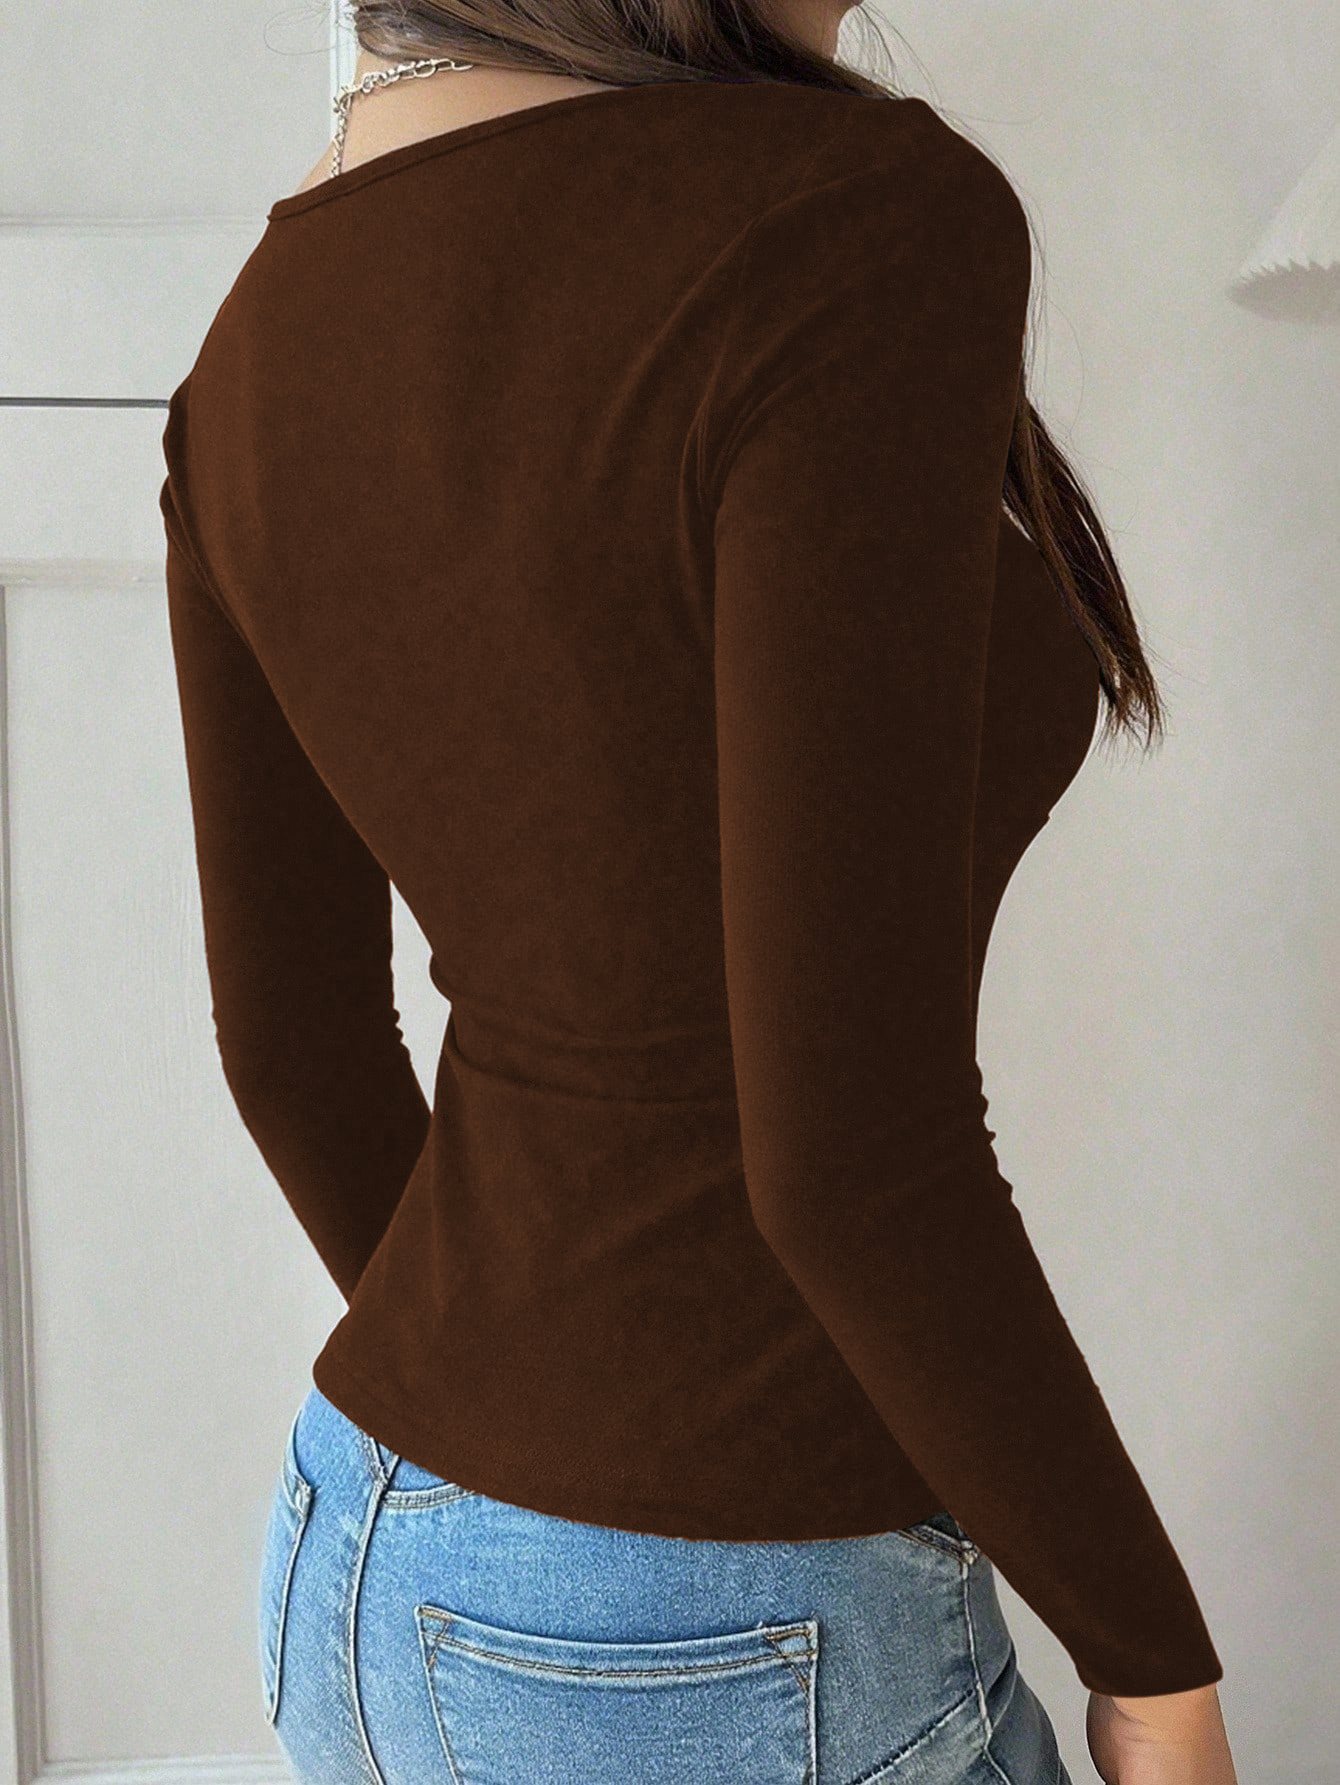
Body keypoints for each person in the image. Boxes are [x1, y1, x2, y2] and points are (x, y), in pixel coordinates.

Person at [158, 0, 1239, 1778]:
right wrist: (1155, 1670)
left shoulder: (258, 334)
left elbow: (291, 1049)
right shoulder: (851, 222)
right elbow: (855, 1149)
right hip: (717, 1639)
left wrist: (524, 1421)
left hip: (351, 1550)